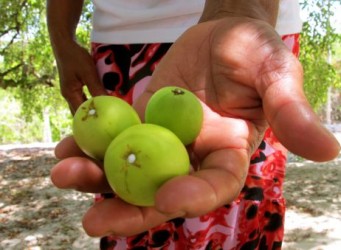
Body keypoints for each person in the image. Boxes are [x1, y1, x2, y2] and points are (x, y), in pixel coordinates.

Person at [47, 0, 340, 249]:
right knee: (130, 211)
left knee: (247, 205)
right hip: (123, 37)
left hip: (251, 34)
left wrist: (241, 11)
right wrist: (61, 39)